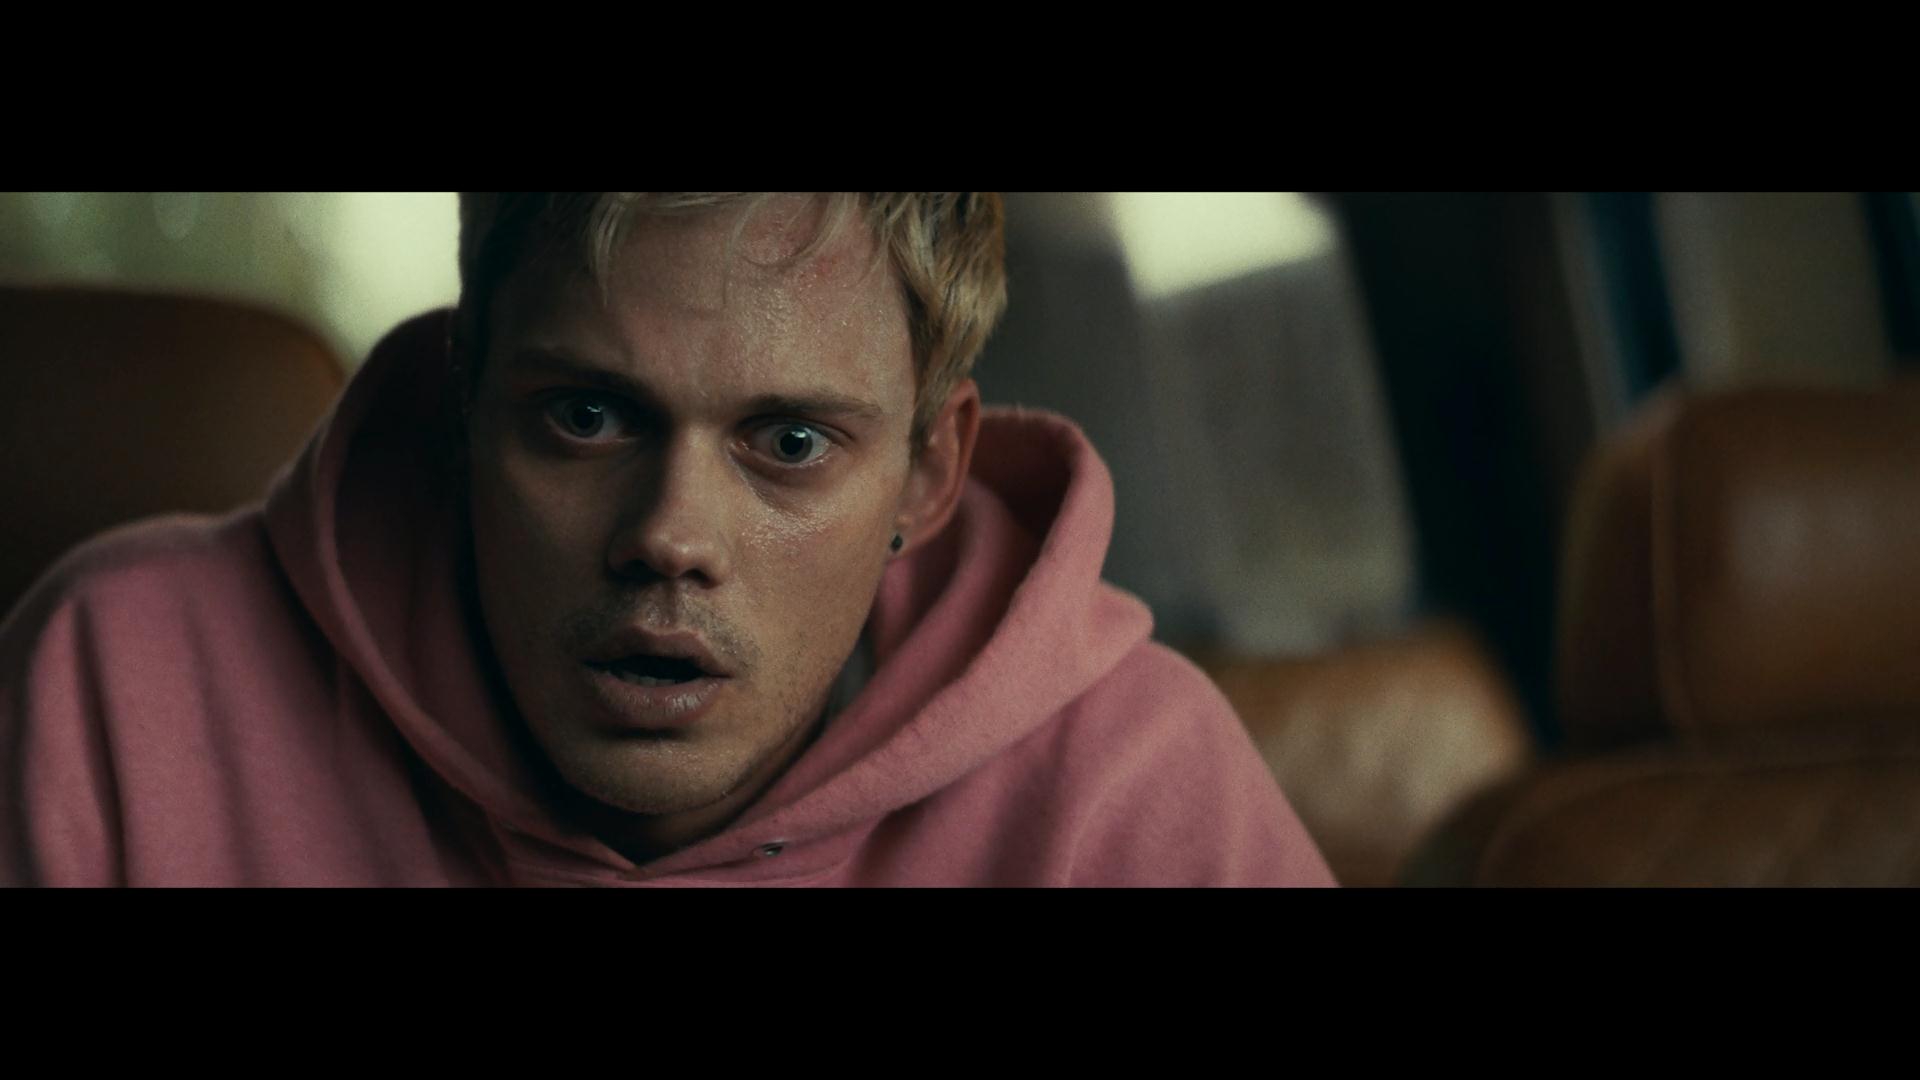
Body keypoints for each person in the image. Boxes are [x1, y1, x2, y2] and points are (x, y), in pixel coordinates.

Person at [0, 192, 1334, 886]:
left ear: (930, 473)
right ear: (465, 406)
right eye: (585, 417)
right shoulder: (117, 685)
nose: (669, 538)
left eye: (790, 443)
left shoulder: (1133, 789)